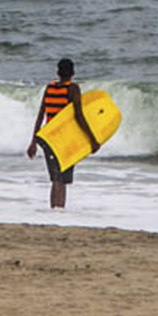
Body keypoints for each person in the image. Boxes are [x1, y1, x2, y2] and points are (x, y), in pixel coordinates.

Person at [26, 57, 99, 211]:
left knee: (55, 178)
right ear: (72, 73)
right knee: (62, 178)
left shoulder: (49, 88)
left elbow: (41, 115)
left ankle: (56, 211)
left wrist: (33, 141)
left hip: (47, 138)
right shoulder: (72, 89)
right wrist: (92, 139)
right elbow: (79, 116)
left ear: (58, 72)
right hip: (64, 139)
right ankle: (58, 211)